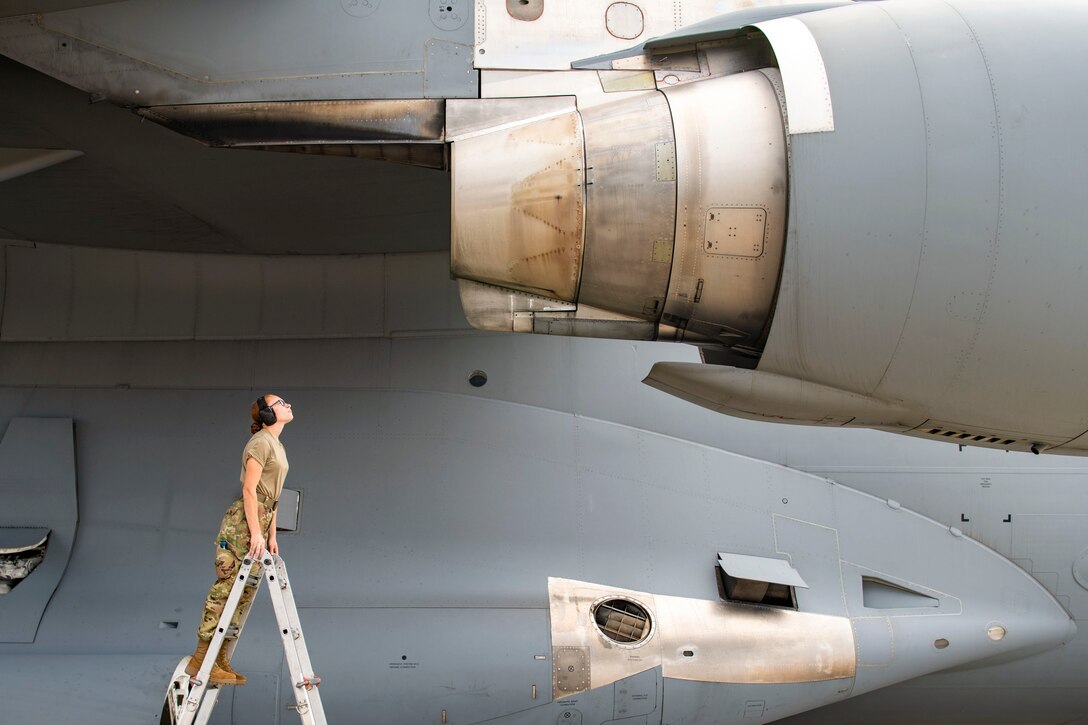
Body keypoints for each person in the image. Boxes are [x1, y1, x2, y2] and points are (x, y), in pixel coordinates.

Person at [184, 393, 294, 686]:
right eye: (281, 403)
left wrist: (271, 535)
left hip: (261, 518)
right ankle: (200, 659)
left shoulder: (277, 445)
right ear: (268, 415)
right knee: (228, 587)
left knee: (243, 592)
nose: (288, 405)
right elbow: (249, 490)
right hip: (243, 524)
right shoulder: (259, 444)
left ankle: (219, 659)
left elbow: (274, 496)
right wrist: (256, 531)